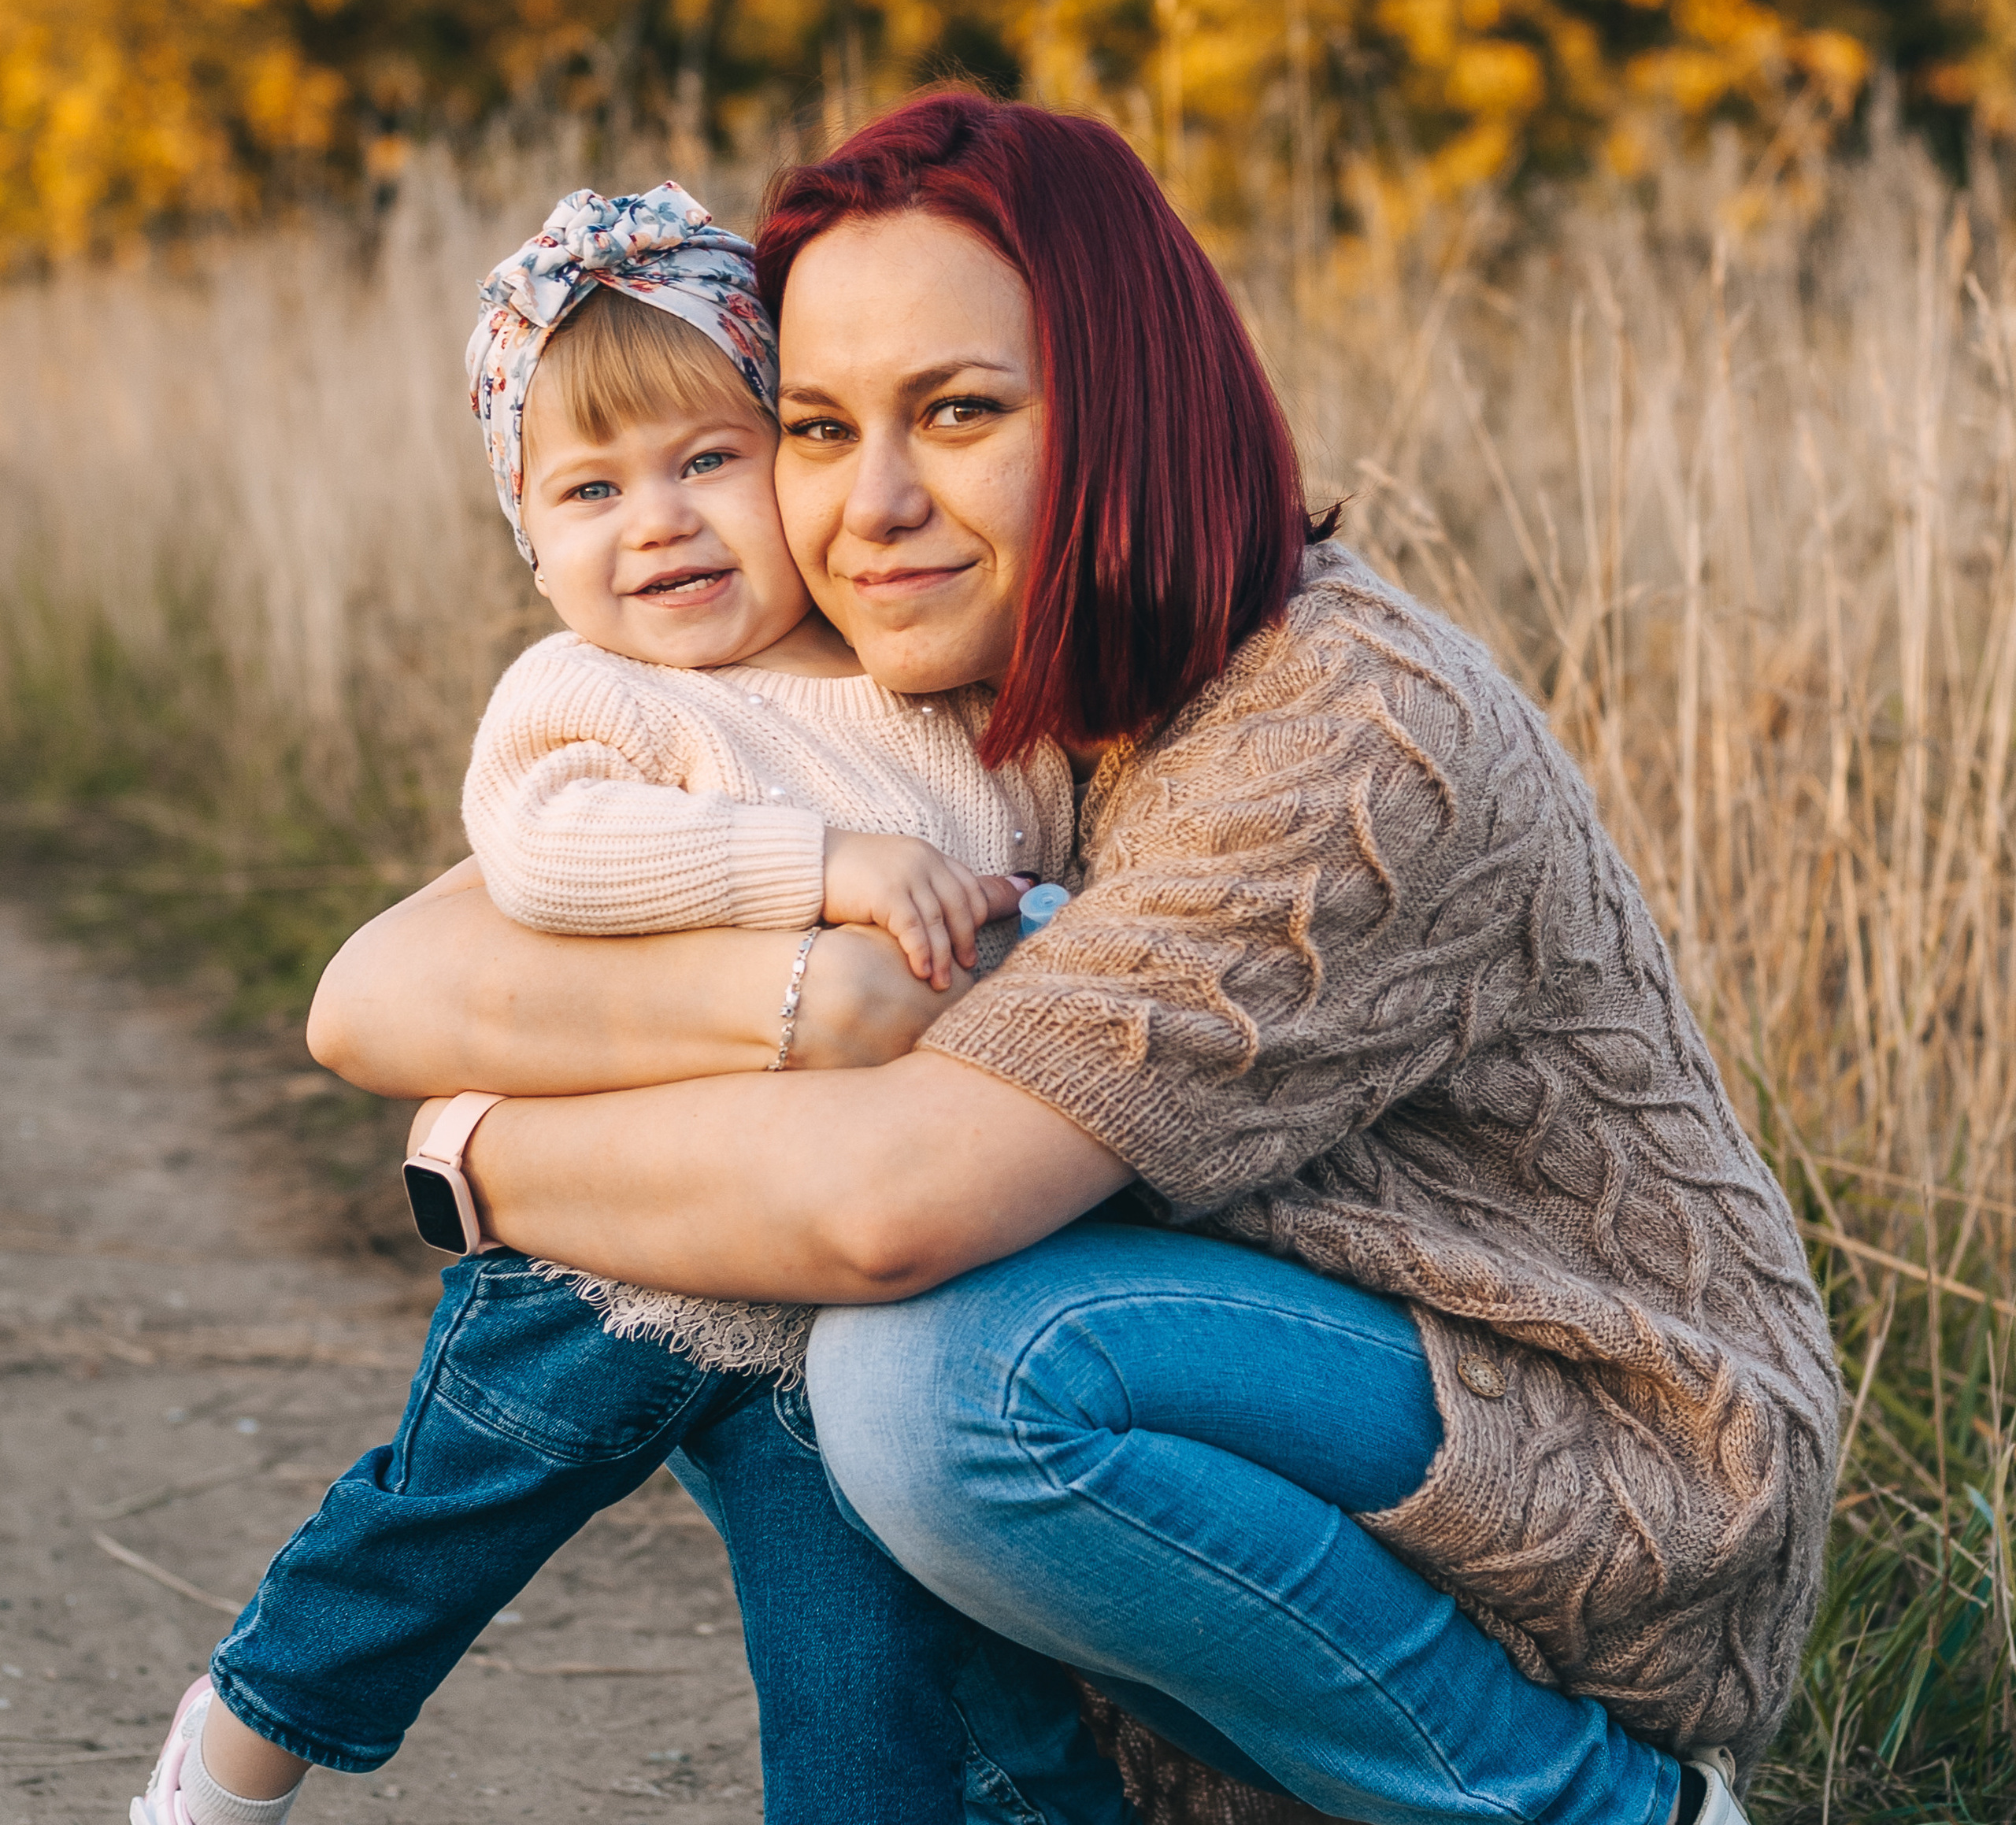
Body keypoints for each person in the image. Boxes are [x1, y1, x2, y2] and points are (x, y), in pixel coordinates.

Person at [305, 93, 1843, 1825]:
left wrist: (474, 1150)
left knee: (938, 1376)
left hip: (1585, 1449)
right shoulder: (929, 664)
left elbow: (884, 1206)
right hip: (1253, 1393)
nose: (868, 505)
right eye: (812, 427)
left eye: (956, 411)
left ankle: (1593, 1808)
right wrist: (791, 997)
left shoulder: (1345, 739)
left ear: (1121, 397)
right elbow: (379, 984)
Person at [131, 179, 1113, 1825]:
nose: (652, 521)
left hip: (833, 1312)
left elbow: (1032, 879)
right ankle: (228, 1755)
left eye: (706, 459)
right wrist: (829, 867)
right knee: (423, 1538)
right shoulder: (593, 696)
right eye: (587, 488)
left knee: (865, 1671)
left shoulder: (919, 682)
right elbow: (554, 854)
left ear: (789, 465)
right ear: (532, 531)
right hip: (601, 1270)